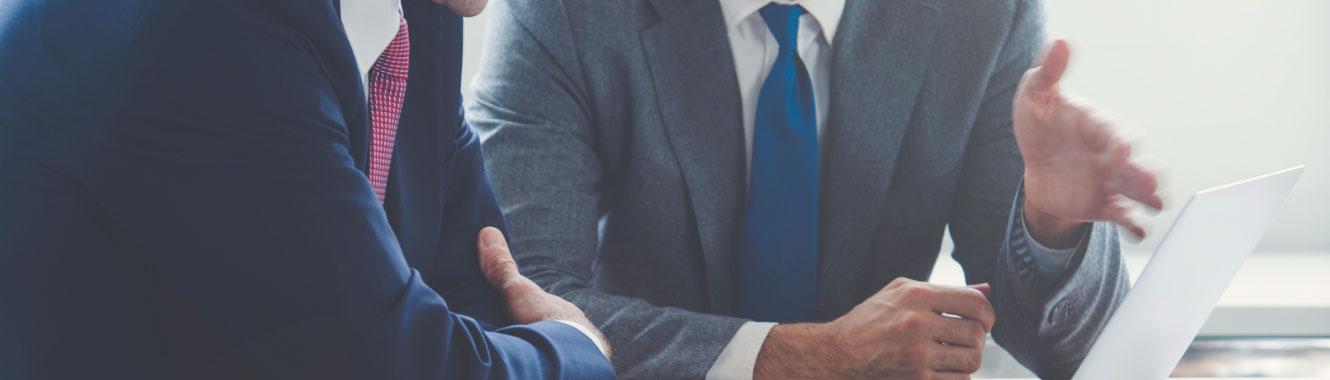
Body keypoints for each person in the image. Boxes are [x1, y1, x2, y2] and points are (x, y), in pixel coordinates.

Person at [467, 0, 1162, 378]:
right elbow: (518, 308)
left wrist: (1048, 223)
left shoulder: (981, 13)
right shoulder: (561, 13)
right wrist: (799, 359)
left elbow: (1060, 355)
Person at [0, 0, 615, 378]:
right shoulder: (209, 25)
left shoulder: (419, 11)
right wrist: (579, 346)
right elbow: (398, 366)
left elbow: (473, 282)